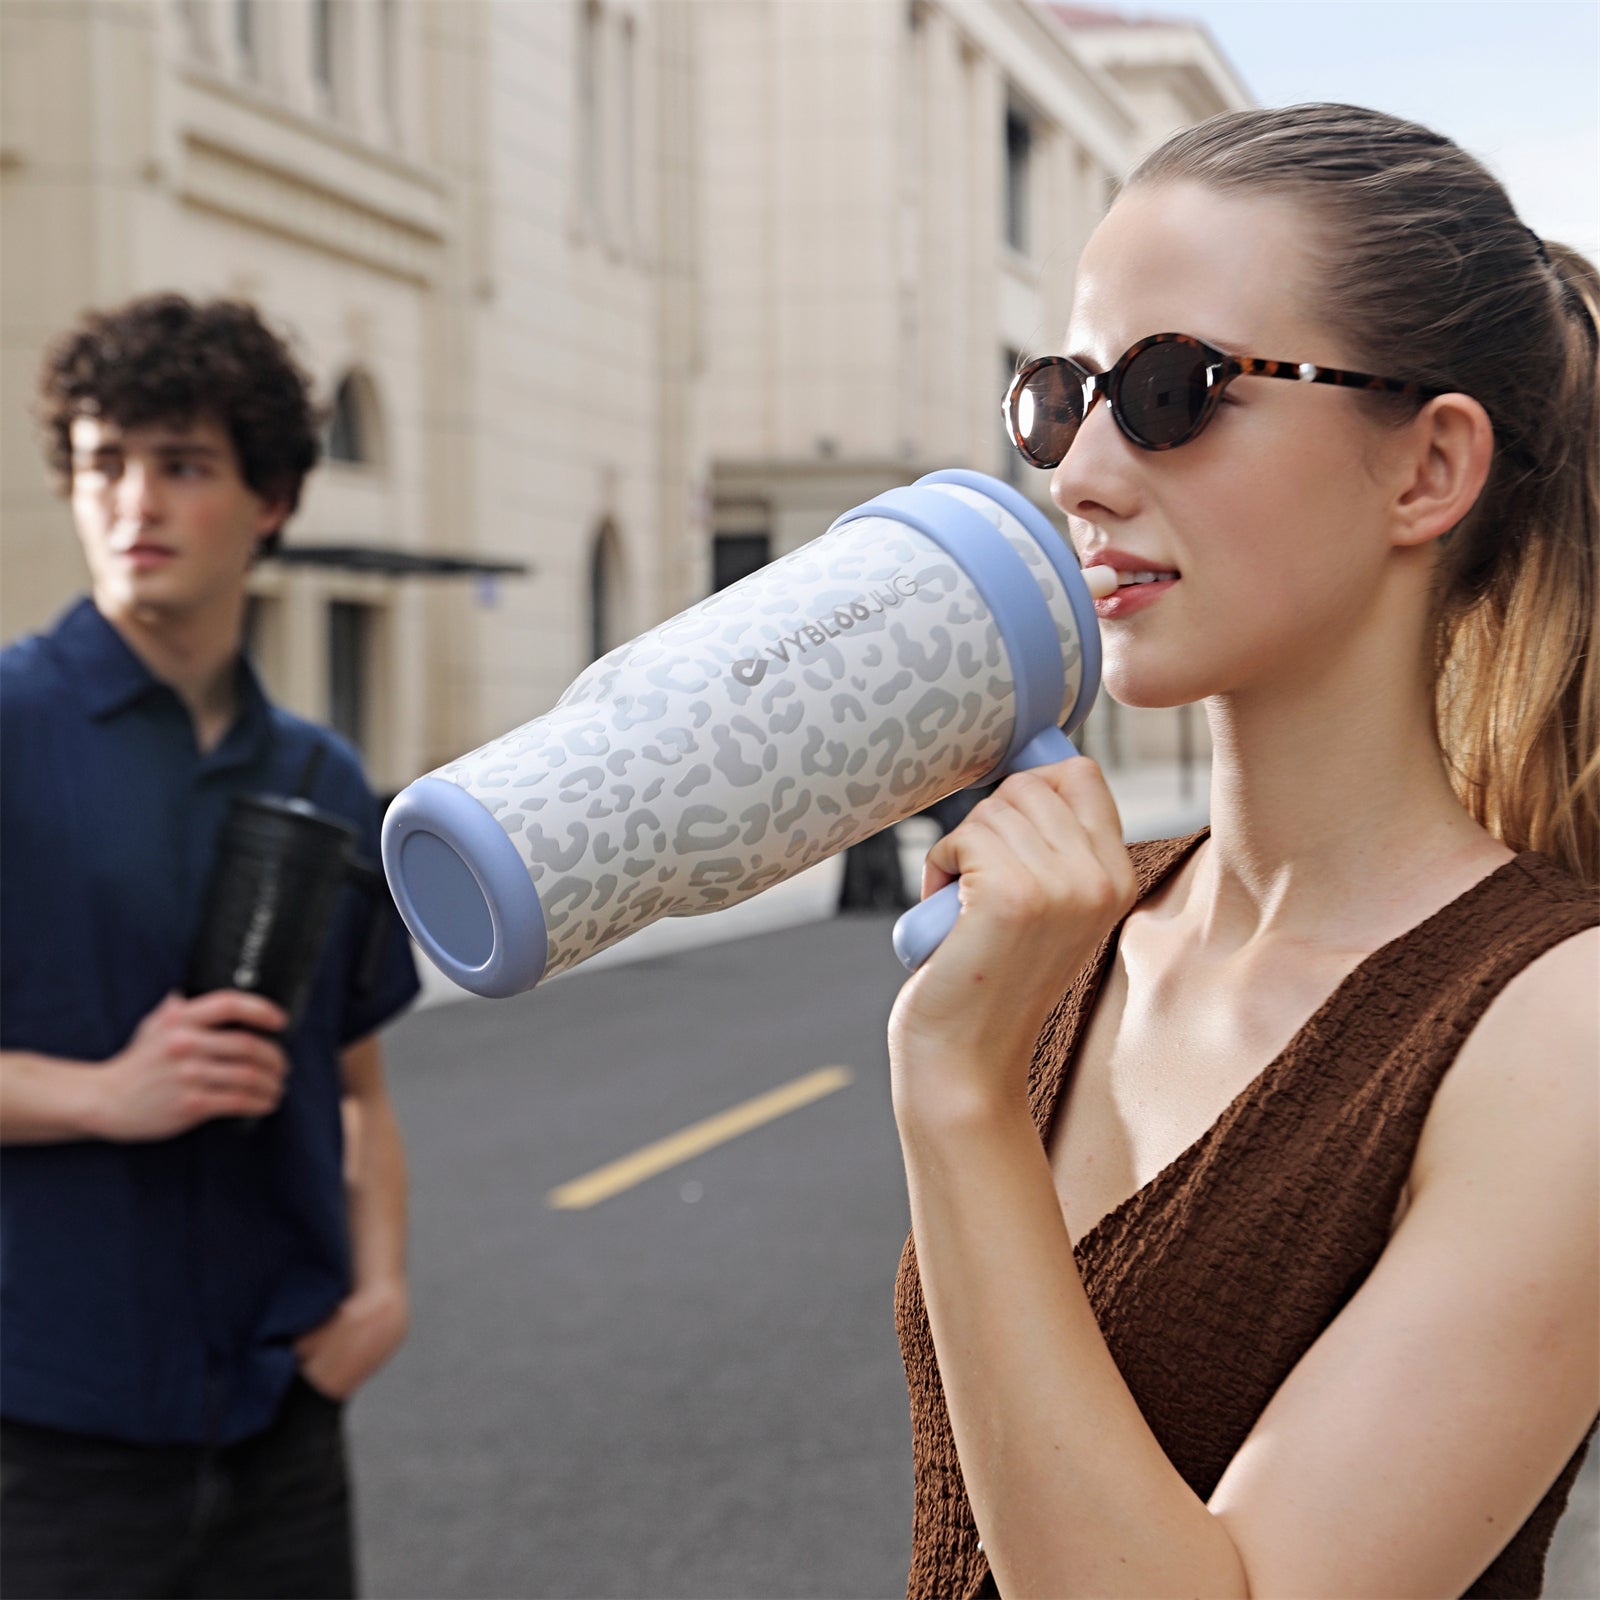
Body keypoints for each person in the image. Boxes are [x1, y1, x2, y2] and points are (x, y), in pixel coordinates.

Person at [889, 105, 1597, 1599]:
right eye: (1059, 397)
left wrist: (959, 1090)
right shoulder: (1084, 921)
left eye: (1171, 391)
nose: (1079, 472)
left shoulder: (1559, 1034)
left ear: (1428, 469)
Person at [0, 293, 421, 1598]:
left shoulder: (319, 775)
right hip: (43, 1445)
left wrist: (380, 1293)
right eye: (103, 464)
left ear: (271, 498)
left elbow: (357, 1088)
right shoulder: (10, 731)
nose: (135, 502)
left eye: (181, 465)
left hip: (279, 1429)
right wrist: (101, 1095)